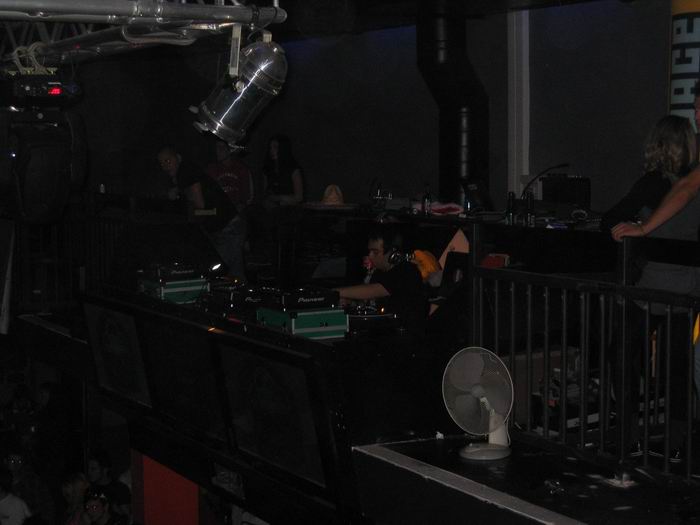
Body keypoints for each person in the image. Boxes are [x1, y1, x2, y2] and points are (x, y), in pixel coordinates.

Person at [602, 115, 700, 460]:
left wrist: (640, 227)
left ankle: (628, 436)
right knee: (678, 366)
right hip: (688, 286)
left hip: (653, 284)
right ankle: (676, 443)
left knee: (623, 355)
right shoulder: (690, 179)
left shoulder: (656, 182)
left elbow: (611, 219)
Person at [157, 145, 246, 280]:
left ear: (178, 158)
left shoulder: (186, 171)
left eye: (168, 161)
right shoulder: (184, 175)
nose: (165, 166)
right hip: (224, 227)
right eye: (162, 163)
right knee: (230, 275)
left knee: (221, 274)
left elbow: (200, 207)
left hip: (228, 227)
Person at [334, 226, 427, 336]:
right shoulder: (379, 272)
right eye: (369, 251)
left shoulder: (406, 271)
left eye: (375, 252)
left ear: (393, 254)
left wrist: (333, 293)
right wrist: (351, 302)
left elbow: (374, 291)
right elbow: (369, 302)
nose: (370, 256)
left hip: (402, 333)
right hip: (381, 330)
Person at [85, 450, 130, 522]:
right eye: (88, 468)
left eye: (93, 469)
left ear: (105, 470)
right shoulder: (89, 490)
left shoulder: (119, 489)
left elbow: (128, 518)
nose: (89, 472)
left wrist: (118, 512)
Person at [262, 135, 303, 207]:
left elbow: (299, 197)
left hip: (290, 208)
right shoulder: (267, 169)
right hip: (272, 209)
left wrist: (279, 198)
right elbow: (265, 193)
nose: (272, 151)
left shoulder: (293, 169)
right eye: (270, 148)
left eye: (275, 147)